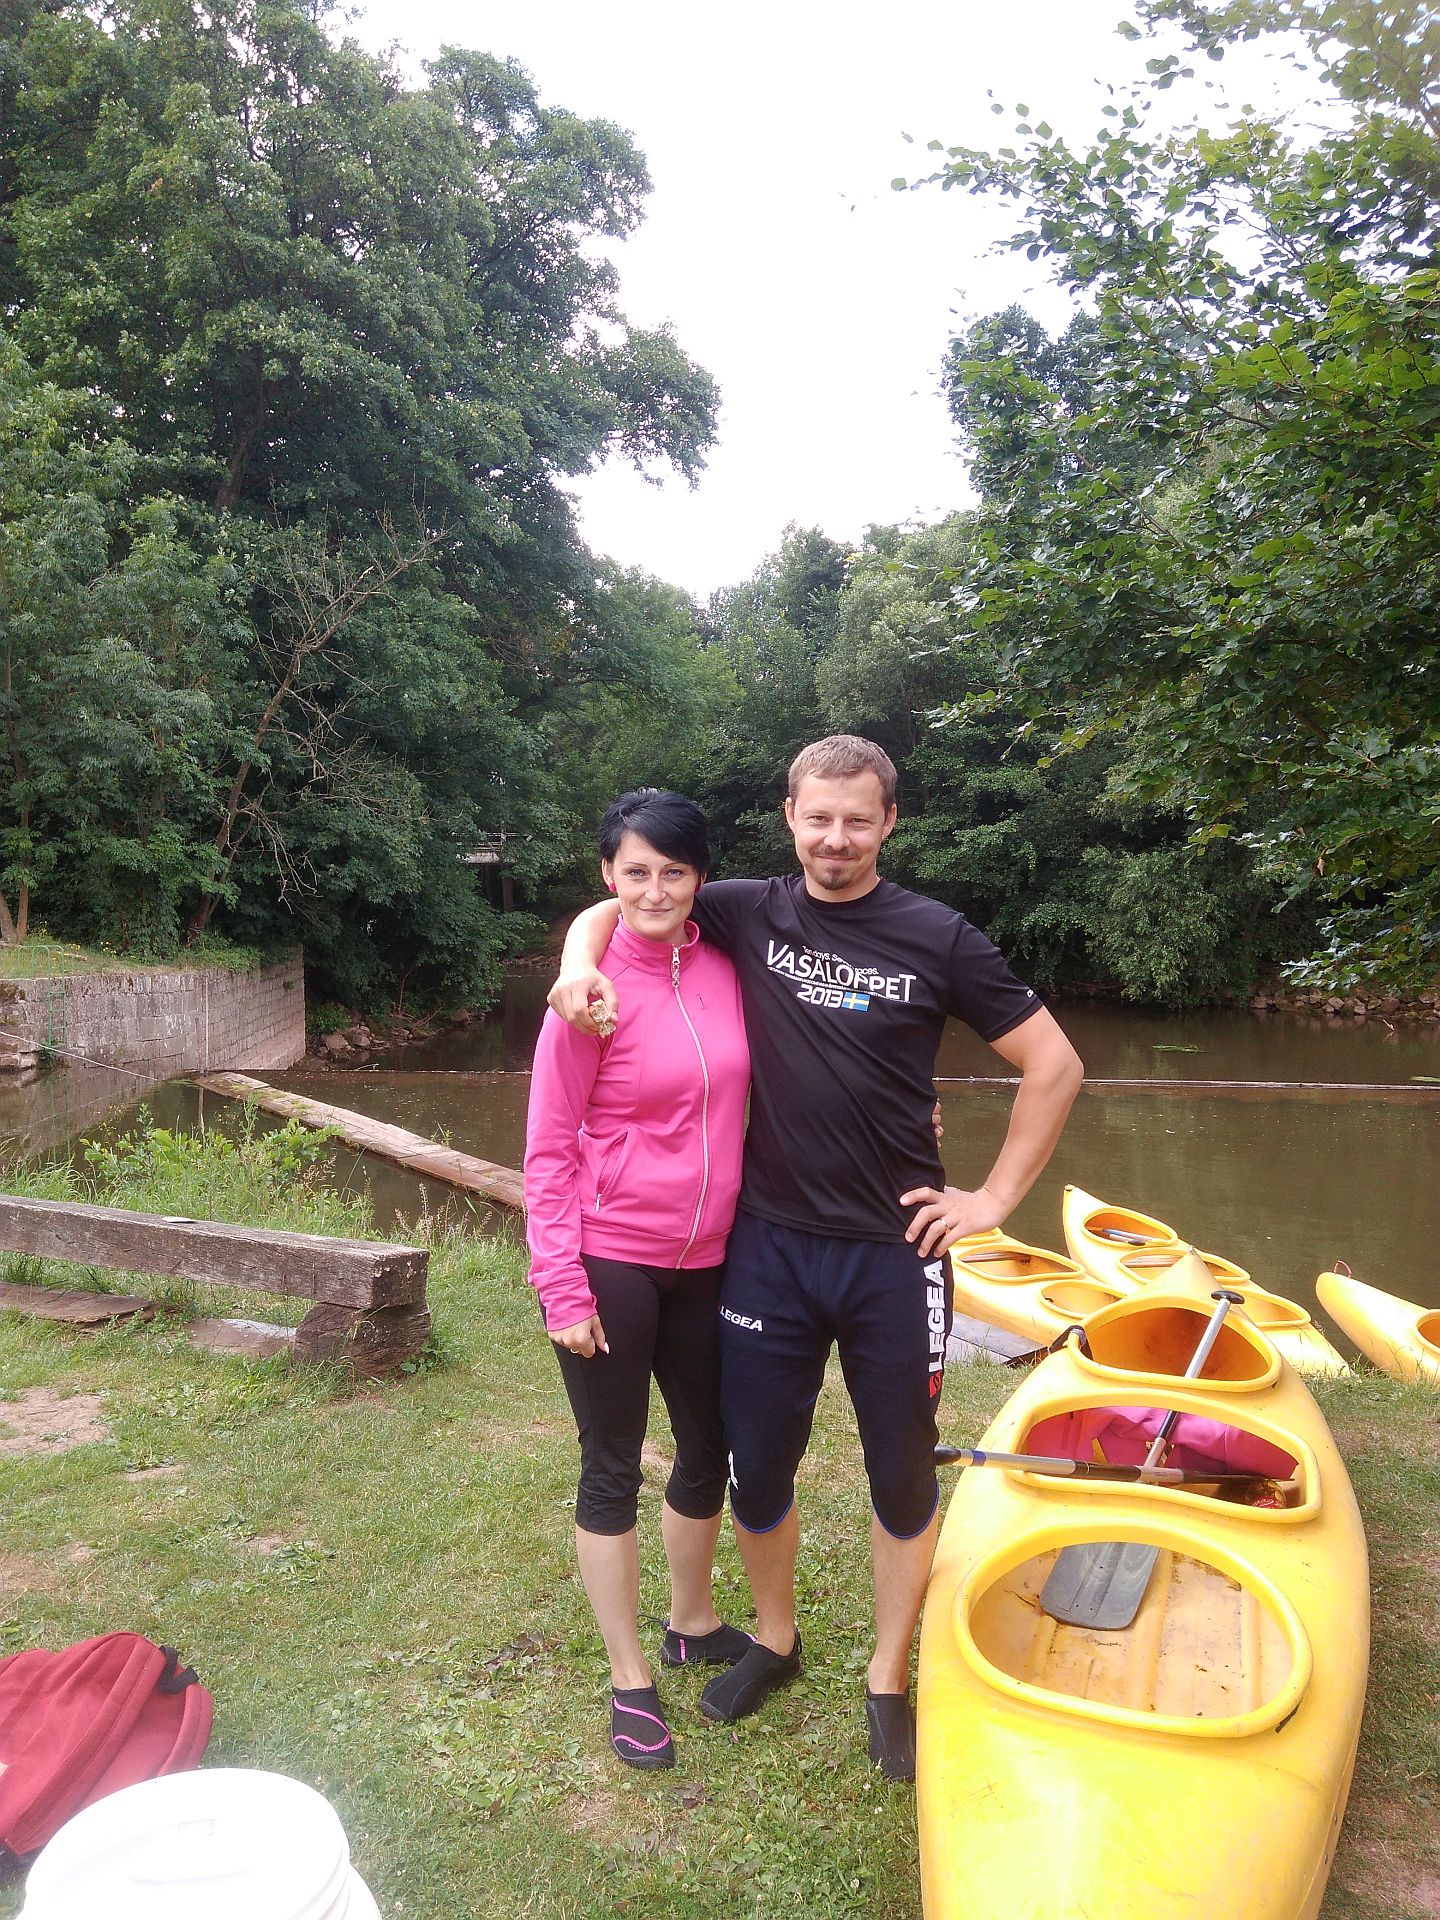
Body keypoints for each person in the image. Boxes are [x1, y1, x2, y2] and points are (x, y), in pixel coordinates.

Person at [548, 736, 1083, 1780]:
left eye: (858, 819)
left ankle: (888, 1675)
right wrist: (576, 964)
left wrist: (991, 1199)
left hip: (895, 1254)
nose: (837, 838)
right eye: (819, 818)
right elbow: (628, 897)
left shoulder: (938, 934)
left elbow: (1053, 1063)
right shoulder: (747, 910)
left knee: (900, 1471)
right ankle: (775, 1636)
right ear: (790, 816)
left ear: (890, 823)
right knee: (756, 1465)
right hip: (769, 1250)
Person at [523, 789, 755, 1772]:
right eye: (635, 872)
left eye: (674, 871)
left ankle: (690, 1619)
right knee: (613, 1464)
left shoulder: (728, 964)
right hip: (611, 1257)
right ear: (608, 876)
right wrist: (561, 1286)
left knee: (709, 1447)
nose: (655, 891)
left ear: (700, 877)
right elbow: (546, 1148)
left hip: (712, 1259)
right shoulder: (587, 994)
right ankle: (629, 1679)